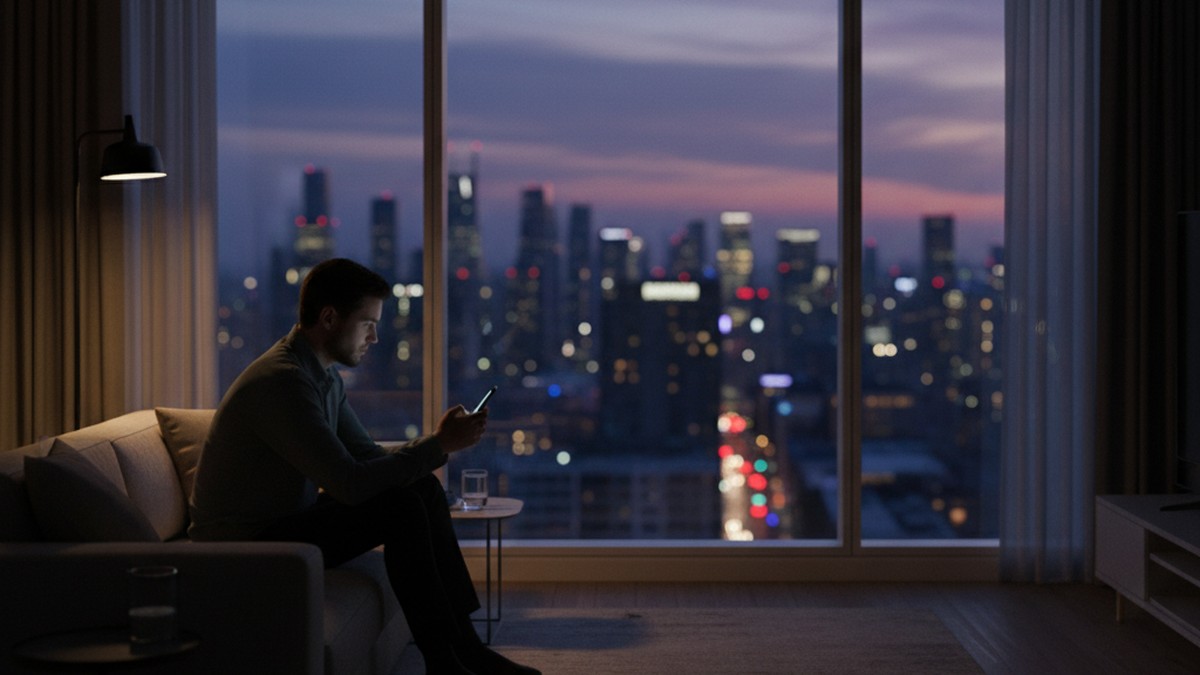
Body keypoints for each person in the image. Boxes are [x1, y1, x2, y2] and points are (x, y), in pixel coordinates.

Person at [189, 258, 538, 675]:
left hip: (284, 520)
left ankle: (466, 647)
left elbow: (366, 455)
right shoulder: (283, 381)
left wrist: (435, 447)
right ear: (329, 318)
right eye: (367, 323)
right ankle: (444, 662)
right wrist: (438, 445)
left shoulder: (321, 375)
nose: (375, 337)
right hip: (245, 544)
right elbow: (349, 484)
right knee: (400, 509)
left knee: (423, 489)